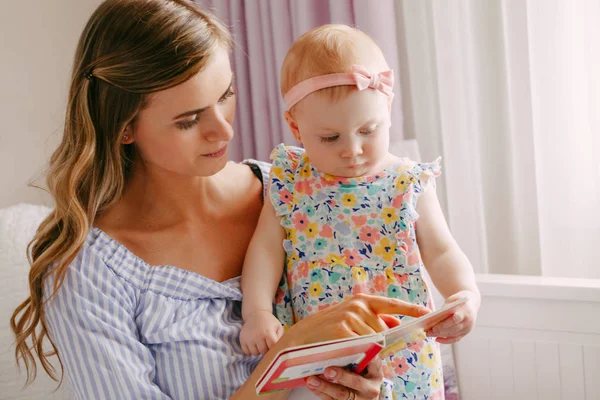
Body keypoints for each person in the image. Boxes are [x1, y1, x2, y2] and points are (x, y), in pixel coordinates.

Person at [9, 2, 433, 399]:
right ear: (123, 128)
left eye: (226, 95)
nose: (224, 131)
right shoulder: (87, 273)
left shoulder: (294, 190)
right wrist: (287, 356)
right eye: (189, 119)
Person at [239, 24, 481, 399]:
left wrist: (464, 294)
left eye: (368, 130)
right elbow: (265, 251)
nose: (352, 149)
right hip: (318, 349)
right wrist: (256, 312)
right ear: (296, 127)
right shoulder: (290, 182)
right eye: (330, 138)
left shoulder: (407, 182)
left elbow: (443, 250)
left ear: (387, 108)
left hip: (402, 350)